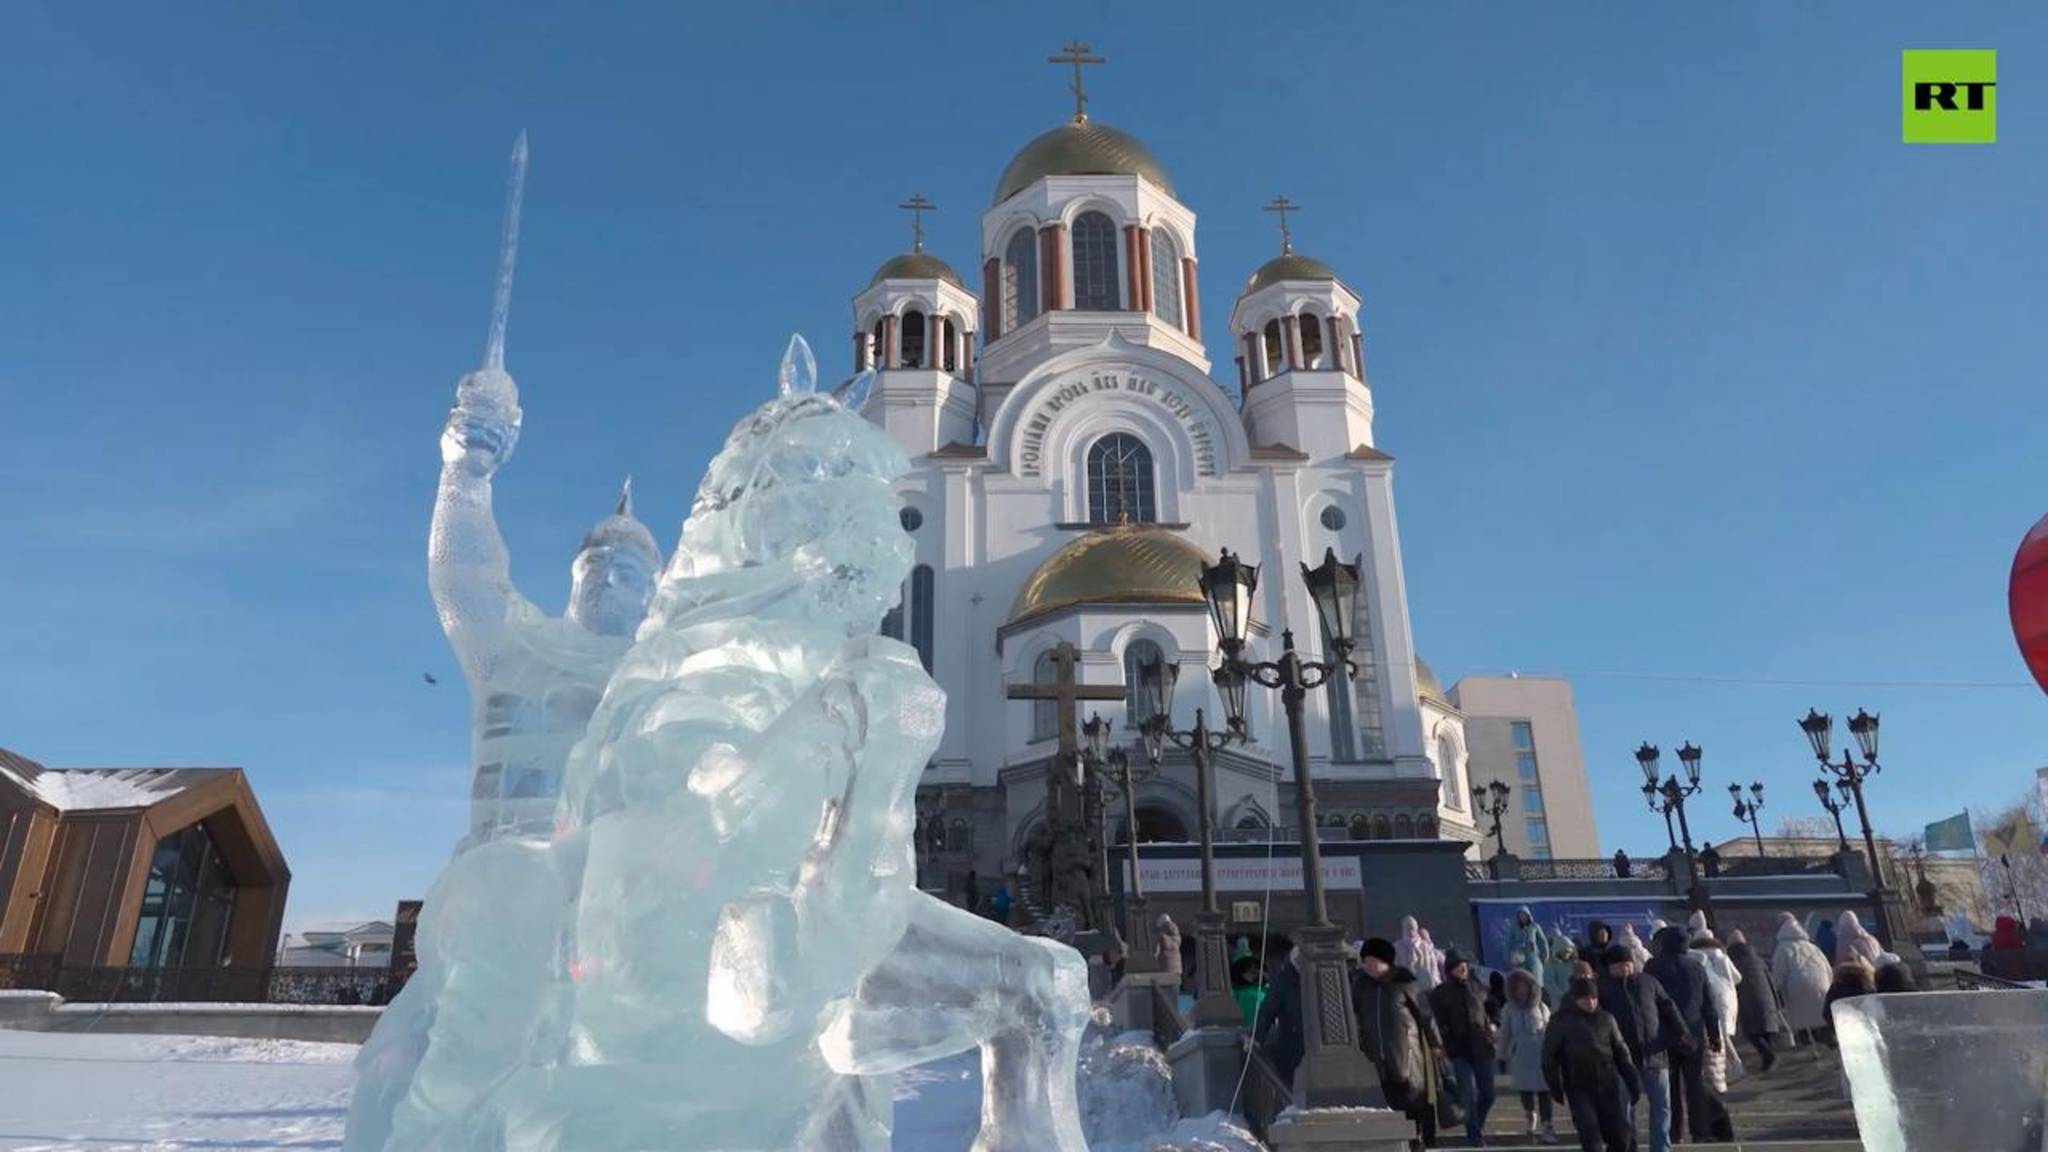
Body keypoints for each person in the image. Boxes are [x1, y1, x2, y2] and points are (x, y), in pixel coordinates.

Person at [1354, 936, 1441, 1149]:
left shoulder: (1404, 984)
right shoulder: (1361, 987)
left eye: (1373, 960)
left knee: (1413, 1104)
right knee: (1388, 1108)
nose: (1369, 965)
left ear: (1386, 962)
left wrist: (1435, 1044)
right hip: (1375, 1061)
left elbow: (1426, 1016)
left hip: (1406, 1057)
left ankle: (1417, 1142)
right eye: (1366, 961)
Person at [1544, 975, 1643, 1152]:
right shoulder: (1561, 1022)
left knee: (1621, 1138)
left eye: (1593, 998)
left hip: (1609, 1084)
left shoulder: (1606, 1019)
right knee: (1592, 1140)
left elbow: (1621, 1052)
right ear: (1575, 999)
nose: (1590, 1003)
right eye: (1585, 998)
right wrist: (1555, 1086)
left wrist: (1632, 1080)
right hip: (1579, 1086)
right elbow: (1549, 1057)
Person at [1645, 926, 1725, 1142]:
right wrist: (1714, 1034)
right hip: (1694, 1033)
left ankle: (1674, 1132)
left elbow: (1647, 1002)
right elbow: (1709, 1004)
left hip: (1663, 1034)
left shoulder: (1653, 966)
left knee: (1670, 1087)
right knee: (1695, 1085)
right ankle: (1700, 1131)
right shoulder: (1697, 966)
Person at [1599, 945, 1683, 1152]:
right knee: (1623, 1110)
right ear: (1610, 967)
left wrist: (1682, 1034)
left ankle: (1661, 1148)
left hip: (1654, 1054)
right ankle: (1628, 1146)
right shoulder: (1602, 988)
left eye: (1629, 964)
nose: (1626, 968)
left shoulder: (1648, 982)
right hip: (1621, 1061)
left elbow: (1668, 1008)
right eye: (1620, 965)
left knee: (1662, 1107)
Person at [1430, 950, 1499, 1146]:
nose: (1462, 968)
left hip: (1482, 1046)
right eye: (1458, 965)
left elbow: (1493, 1007)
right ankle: (1474, 1136)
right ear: (1450, 970)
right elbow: (1436, 1022)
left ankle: (1475, 1124)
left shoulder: (1477, 987)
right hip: (1458, 1050)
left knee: (1488, 1094)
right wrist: (1442, 1044)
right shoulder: (1441, 993)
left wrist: (1495, 1023)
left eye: (1464, 965)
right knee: (1468, 1095)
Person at [1500, 968, 1560, 1145]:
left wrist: (1554, 1053)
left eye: (1525, 986)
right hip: (1521, 1054)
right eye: (1517, 987)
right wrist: (1501, 1056)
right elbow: (1505, 1034)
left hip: (1540, 1052)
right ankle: (1530, 1114)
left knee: (1544, 1091)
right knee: (1525, 1090)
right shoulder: (1509, 1009)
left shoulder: (1541, 1006)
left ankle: (1547, 1126)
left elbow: (1551, 1030)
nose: (1521, 990)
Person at [1771, 913, 1834, 1046]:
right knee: (1821, 1019)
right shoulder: (1813, 947)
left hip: (1798, 991)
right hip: (1822, 986)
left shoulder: (1782, 949)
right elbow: (1828, 970)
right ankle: (1830, 1046)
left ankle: (1808, 1049)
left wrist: (1776, 990)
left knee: (1802, 1024)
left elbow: (1778, 976)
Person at [1691, 928, 1742, 1090]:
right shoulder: (1723, 957)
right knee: (1724, 1033)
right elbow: (1738, 977)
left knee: (1719, 1034)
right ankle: (1731, 1066)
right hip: (1728, 996)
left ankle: (1735, 1066)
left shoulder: (1696, 957)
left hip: (1710, 996)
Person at [1726, 929, 1782, 1073]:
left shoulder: (1732, 960)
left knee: (1753, 1033)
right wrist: (1777, 1000)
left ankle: (1769, 1058)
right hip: (1767, 999)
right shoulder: (1757, 958)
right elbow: (1770, 980)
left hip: (1747, 1001)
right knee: (1766, 1031)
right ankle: (1768, 1061)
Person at [1253, 946, 1305, 1087]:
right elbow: (1267, 1011)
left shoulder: (1320, 976)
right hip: (1293, 1045)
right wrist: (1257, 1037)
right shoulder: (1284, 982)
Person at [1505, 906, 1551, 986]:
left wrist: (1545, 954)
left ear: (1528, 915)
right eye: (1520, 915)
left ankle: (1538, 992)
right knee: (1522, 979)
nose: (1522, 917)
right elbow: (1508, 942)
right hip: (1519, 956)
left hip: (1533, 954)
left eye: (1524, 915)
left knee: (1536, 976)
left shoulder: (1535, 926)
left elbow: (1542, 941)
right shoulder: (1513, 928)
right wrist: (1507, 956)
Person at [1397, 916, 1443, 992]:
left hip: (1426, 990)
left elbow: (1434, 969)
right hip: (1405, 990)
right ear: (1403, 929)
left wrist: (1437, 985)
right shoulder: (1397, 948)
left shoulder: (1426, 948)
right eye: (1408, 928)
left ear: (1416, 929)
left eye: (1412, 928)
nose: (1410, 931)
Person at [1231, 953, 1266, 1031]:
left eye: (1255, 968)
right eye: (1248, 968)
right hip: (1242, 1033)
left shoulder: (1264, 991)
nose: (1253, 973)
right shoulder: (1233, 993)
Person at [1545, 938, 1581, 1008]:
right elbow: (1549, 983)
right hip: (1558, 1001)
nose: (1566, 954)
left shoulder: (1575, 964)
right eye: (1564, 951)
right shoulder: (1551, 965)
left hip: (1575, 999)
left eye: (1568, 952)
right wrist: (1562, 995)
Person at [1154, 913, 1183, 978]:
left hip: (1165, 965)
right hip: (1177, 966)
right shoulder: (1177, 937)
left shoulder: (1162, 936)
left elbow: (1156, 952)